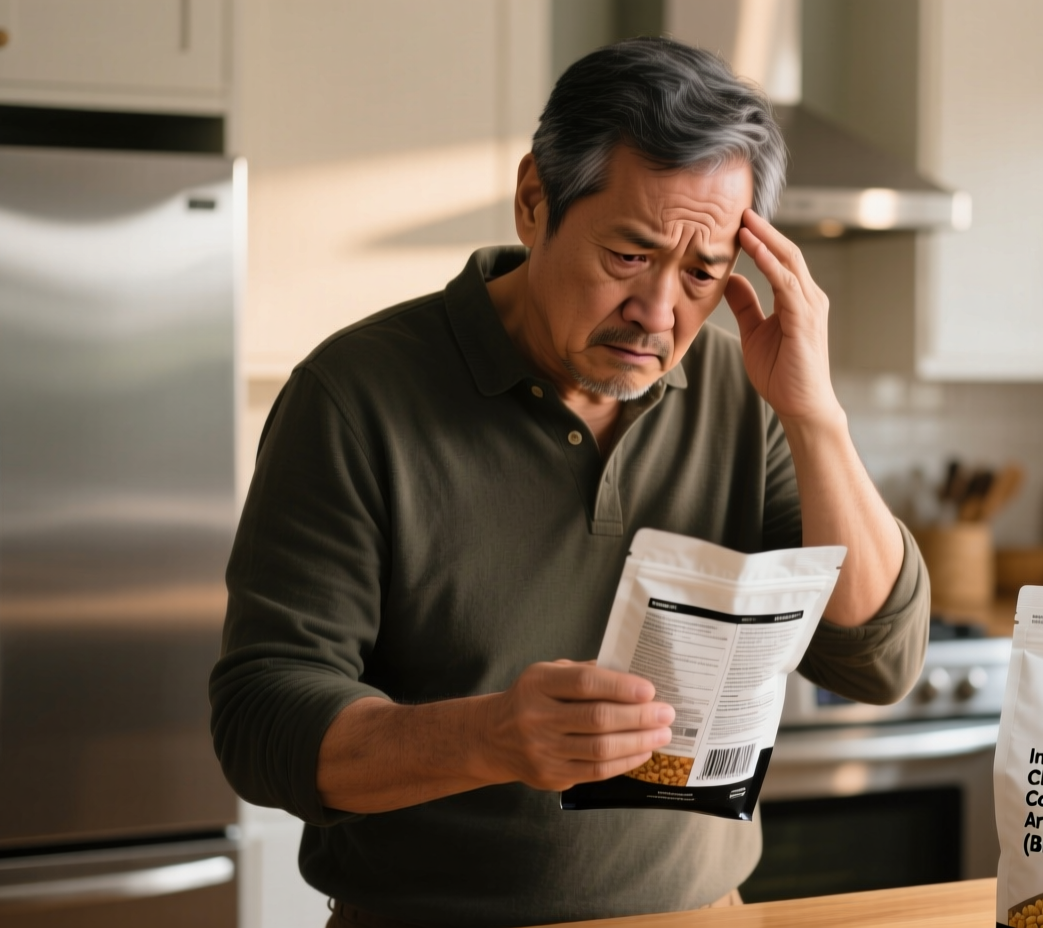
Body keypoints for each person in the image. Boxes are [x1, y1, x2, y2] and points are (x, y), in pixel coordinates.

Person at [210, 37, 930, 928]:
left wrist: (815, 415)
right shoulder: (355, 396)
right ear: (532, 202)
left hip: (704, 914)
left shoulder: (747, 394)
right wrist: (492, 738)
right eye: (628, 256)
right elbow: (261, 719)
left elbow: (878, 659)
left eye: (703, 273)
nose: (660, 312)